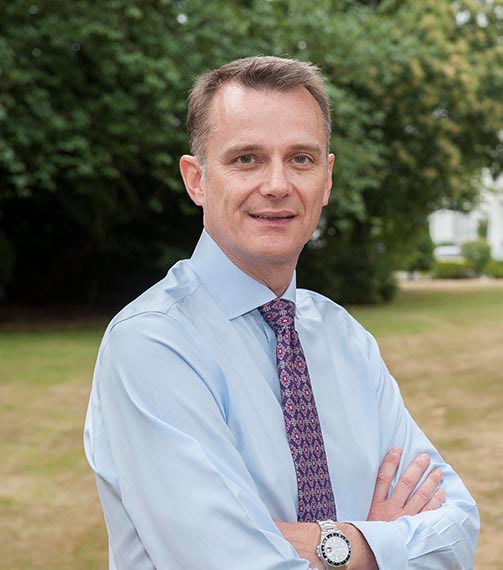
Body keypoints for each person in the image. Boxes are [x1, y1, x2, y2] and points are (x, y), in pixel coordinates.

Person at [83, 56, 479, 569]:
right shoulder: (152, 344)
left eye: (301, 159)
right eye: (246, 158)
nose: (276, 184)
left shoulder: (344, 337)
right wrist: (377, 544)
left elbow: (456, 531)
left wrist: (312, 542)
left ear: (327, 179)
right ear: (196, 179)